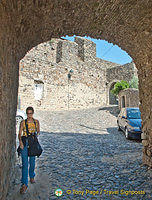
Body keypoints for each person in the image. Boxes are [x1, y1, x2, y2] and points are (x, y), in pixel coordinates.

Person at [18, 106, 40, 194]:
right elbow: (19, 133)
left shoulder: (36, 122)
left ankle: (31, 176)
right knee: (24, 163)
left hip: (32, 143)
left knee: (32, 161)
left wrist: (35, 135)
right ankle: (24, 184)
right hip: (25, 142)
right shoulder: (23, 122)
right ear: (26, 114)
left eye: (30, 113)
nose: (29, 115)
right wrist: (20, 142)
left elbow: (38, 131)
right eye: (28, 113)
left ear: (33, 113)